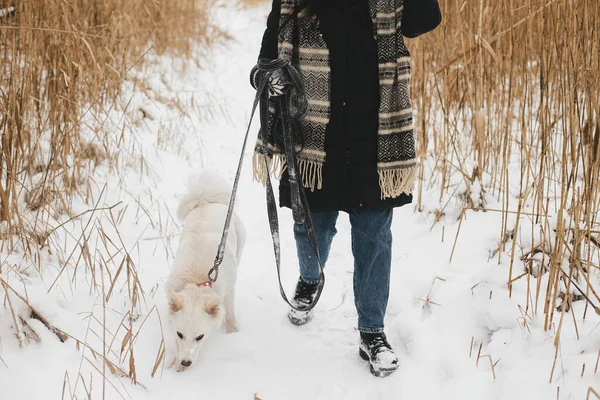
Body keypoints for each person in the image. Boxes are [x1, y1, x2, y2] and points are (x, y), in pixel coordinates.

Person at [250, 0, 417, 378]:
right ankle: (310, 278)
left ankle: (372, 331)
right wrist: (264, 76)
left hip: (374, 136)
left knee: (375, 236)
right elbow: (268, 50)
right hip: (314, 136)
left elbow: (426, 20)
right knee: (312, 225)